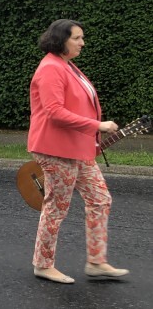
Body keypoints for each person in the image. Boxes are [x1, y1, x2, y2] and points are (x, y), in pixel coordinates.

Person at [28, 18, 128, 283]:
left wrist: (91, 137)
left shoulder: (66, 65)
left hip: (76, 148)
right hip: (55, 149)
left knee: (100, 199)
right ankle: (42, 264)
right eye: (77, 38)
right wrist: (98, 125)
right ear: (61, 40)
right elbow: (54, 112)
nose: (82, 42)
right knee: (56, 207)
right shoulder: (51, 68)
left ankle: (96, 262)